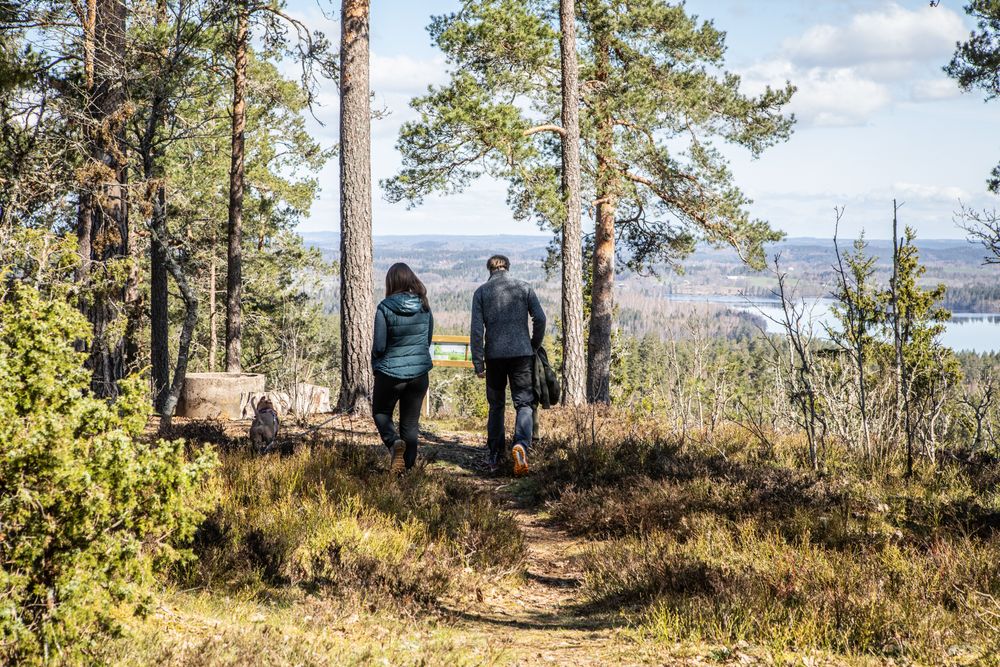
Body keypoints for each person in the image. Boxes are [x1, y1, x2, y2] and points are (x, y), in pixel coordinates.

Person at [470, 254, 546, 475]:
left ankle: (494, 455)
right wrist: (533, 345)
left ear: (490, 270)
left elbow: (476, 331)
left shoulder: (481, 292)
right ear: (508, 268)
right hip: (522, 355)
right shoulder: (524, 288)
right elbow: (540, 319)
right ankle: (521, 445)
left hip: (494, 357)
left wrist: (478, 362)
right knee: (523, 403)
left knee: (496, 405)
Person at [372, 263, 434, 474]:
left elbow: (379, 346)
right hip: (419, 375)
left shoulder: (384, 307)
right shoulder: (424, 306)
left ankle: (393, 443)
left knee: (381, 412)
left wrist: (376, 364)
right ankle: (407, 472)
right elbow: (427, 340)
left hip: (390, 374)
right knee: (410, 424)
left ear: (391, 282)